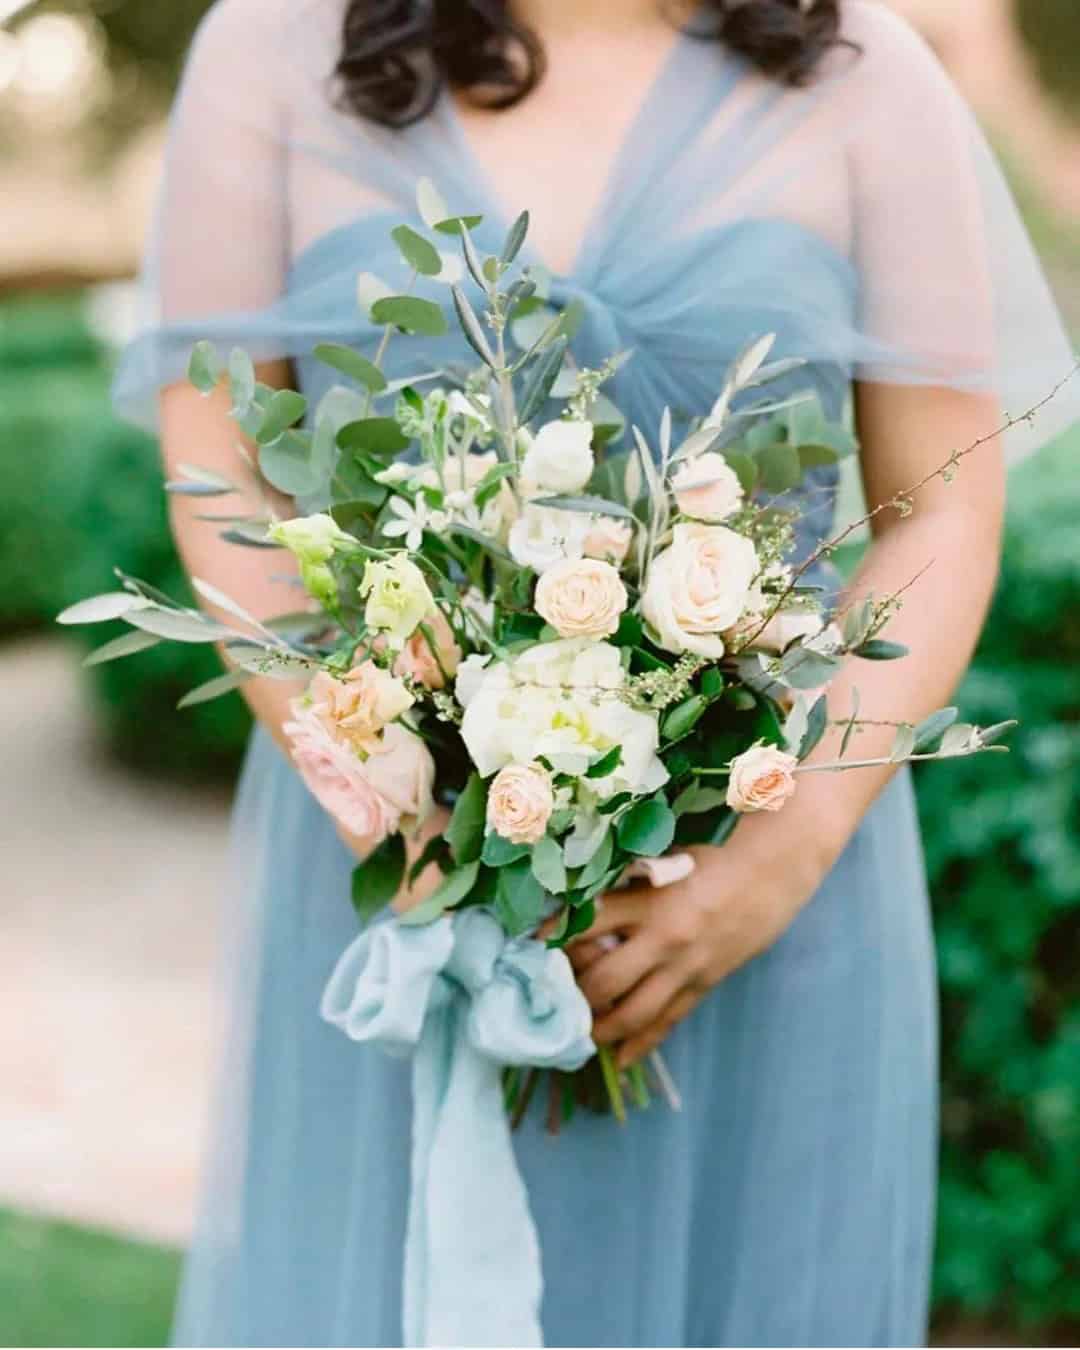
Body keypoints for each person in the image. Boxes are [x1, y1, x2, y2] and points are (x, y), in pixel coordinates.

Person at [117, 0, 1077, 1344]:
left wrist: (785, 851)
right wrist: (382, 780)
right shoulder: (269, 49)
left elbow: (947, 506)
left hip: (768, 879)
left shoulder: (871, 74)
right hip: (403, 886)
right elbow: (219, 459)